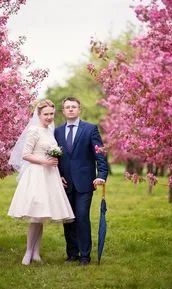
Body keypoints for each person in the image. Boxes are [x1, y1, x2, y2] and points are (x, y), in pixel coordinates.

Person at [8, 99, 75, 265]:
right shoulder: (34, 130)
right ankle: (28, 252)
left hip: (50, 176)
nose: (49, 117)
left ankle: (36, 253)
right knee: (35, 216)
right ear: (38, 115)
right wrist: (45, 162)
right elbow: (25, 154)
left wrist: (56, 172)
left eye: (52, 114)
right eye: (46, 114)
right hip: (37, 174)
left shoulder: (50, 132)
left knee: (41, 214)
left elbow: (53, 156)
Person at [54, 96, 109, 266]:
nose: (70, 109)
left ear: (79, 110)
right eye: (67, 107)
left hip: (85, 182)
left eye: (73, 107)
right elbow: (55, 157)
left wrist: (101, 174)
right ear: (63, 111)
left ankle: (85, 255)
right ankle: (72, 254)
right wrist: (58, 175)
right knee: (68, 219)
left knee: (82, 217)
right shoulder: (57, 132)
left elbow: (99, 154)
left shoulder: (90, 129)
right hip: (65, 183)